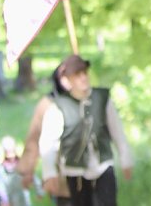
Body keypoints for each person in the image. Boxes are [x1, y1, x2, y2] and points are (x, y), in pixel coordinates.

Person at [38, 55, 133, 206]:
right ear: (67, 80)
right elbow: (48, 142)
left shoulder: (102, 98)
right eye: (77, 74)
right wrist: (49, 172)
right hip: (75, 171)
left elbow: (117, 132)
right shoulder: (59, 106)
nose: (83, 78)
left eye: (84, 72)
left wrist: (125, 158)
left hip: (103, 165)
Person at [18, 67, 68, 205]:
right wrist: (27, 170)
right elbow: (34, 139)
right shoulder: (47, 104)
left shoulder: (87, 100)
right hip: (61, 174)